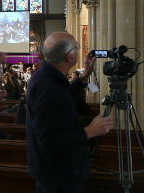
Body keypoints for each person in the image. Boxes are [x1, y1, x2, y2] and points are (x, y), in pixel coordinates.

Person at [26, 32, 113, 192]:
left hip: (51, 172)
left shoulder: (46, 76)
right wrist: (89, 131)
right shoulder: (49, 88)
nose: (79, 50)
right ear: (69, 56)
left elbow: (62, 98)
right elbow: (48, 142)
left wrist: (83, 77)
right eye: (77, 47)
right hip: (58, 177)